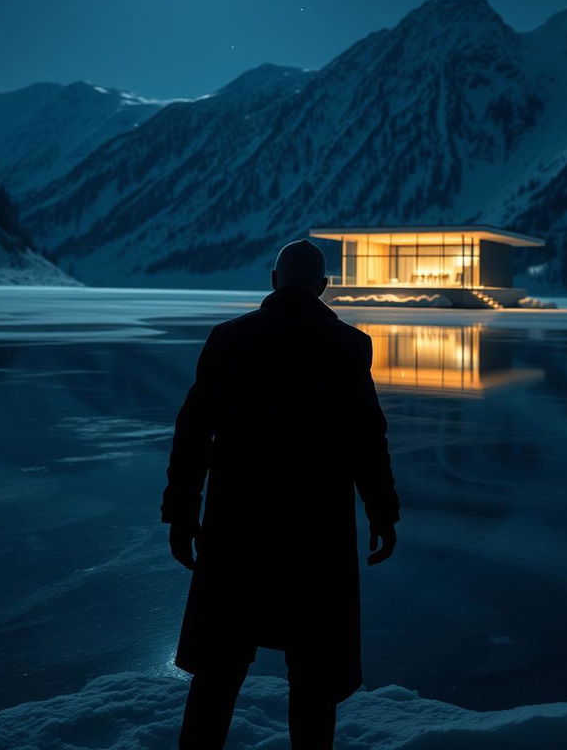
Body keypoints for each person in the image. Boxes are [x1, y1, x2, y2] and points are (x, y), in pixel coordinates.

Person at [161, 239, 400, 749]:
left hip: (235, 531)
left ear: (273, 282)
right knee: (314, 677)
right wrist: (382, 512)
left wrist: (181, 515)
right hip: (319, 536)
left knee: (218, 673)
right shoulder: (349, 346)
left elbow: (192, 435)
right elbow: (367, 440)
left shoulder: (228, 339)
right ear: (324, 287)